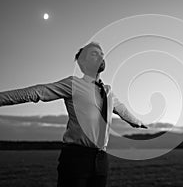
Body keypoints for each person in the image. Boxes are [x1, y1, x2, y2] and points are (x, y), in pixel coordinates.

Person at [0, 41, 148, 187]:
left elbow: (121, 109)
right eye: (94, 54)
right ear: (82, 63)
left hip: (101, 159)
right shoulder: (73, 84)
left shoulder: (108, 91)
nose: (101, 57)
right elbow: (38, 92)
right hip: (76, 157)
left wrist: (138, 122)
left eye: (102, 54)